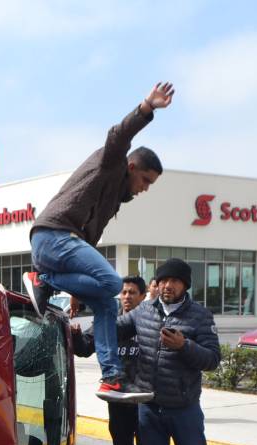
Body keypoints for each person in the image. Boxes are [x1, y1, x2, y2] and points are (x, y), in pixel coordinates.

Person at [24, 82, 174, 403]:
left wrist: (79, 291)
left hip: (63, 246)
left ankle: (110, 376)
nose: (144, 189)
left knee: (107, 303)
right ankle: (43, 278)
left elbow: (87, 247)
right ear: (132, 167)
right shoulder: (113, 163)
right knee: (110, 283)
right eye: (145, 181)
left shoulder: (112, 200)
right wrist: (146, 107)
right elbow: (118, 136)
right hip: (53, 236)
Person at [115, 258, 227, 445]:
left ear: (185, 285)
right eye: (163, 280)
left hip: (184, 409)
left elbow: (213, 360)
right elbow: (115, 330)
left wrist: (184, 346)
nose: (168, 285)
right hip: (149, 408)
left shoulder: (200, 316)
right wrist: (80, 335)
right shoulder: (144, 311)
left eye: (175, 281)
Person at [72, 276, 153, 445]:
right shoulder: (106, 321)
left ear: (142, 296)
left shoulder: (149, 322)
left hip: (144, 402)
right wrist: (73, 335)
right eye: (124, 293)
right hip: (117, 401)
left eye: (132, 293)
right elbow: (85, 347)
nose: (127, 297)